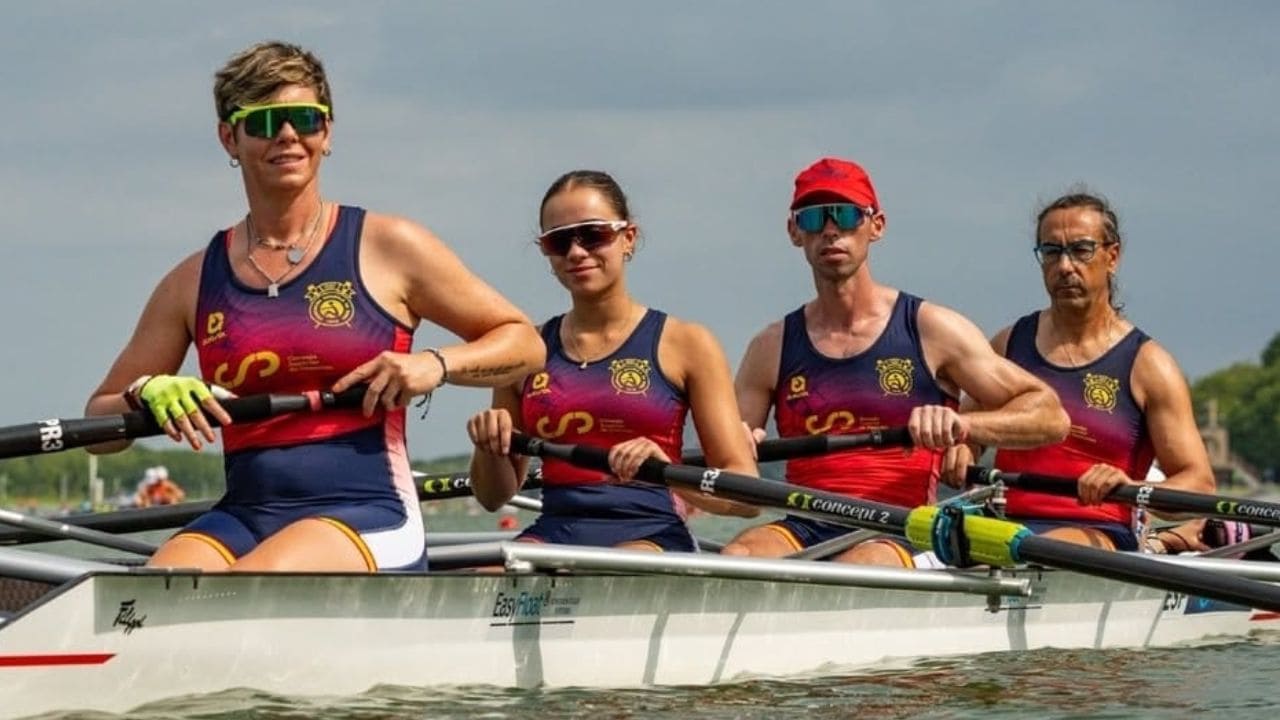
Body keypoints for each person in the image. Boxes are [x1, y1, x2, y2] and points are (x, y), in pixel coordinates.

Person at [84, 41, 544, 572]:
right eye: (263, 122)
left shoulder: (389, 246)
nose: (287, 135)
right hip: (244, 515)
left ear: (326, 133)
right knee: (156, 589)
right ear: (229, 138)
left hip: (370, 512)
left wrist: (433, 365)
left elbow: (525, 342)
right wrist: (146, 391)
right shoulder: (191, 280)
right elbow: (100, 426)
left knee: (253, 582)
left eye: (304, 118)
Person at [721, 157, 1070, 566]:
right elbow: (730, 470)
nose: (831, 230)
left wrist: (965, 425)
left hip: (901, 527)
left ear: (876, 226)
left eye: (847, 215)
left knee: (858, 565)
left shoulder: (931, 329)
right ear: (795, 232)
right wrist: (736, 450)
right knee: (738, 553)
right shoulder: (771, 346)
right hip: (804, 524)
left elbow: (1050, 415)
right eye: (815, 217)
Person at [467, 170, 759, 552]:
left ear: (628, 239)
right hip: (556, 531)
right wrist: (487, 447)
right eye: (559, 241)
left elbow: (747, 494)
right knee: (480, 573)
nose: (576, 252)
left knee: (607, 574)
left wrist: (667, 472)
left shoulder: (688, 343)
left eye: (593, 235)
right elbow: (493, 498)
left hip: (650, 534)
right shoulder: (523, 349)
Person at [946, 190, 1214, 551]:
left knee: (1045, 550)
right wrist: (964, 451)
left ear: (1112, 256)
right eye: (1052, 252)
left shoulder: (1149, 366)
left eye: (1081, 250)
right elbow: (971, 431)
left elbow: (1199, 483)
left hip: (1098, 536)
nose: (1065, 266)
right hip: (1006, 531)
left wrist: (1132, 490)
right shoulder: (1009, 344)